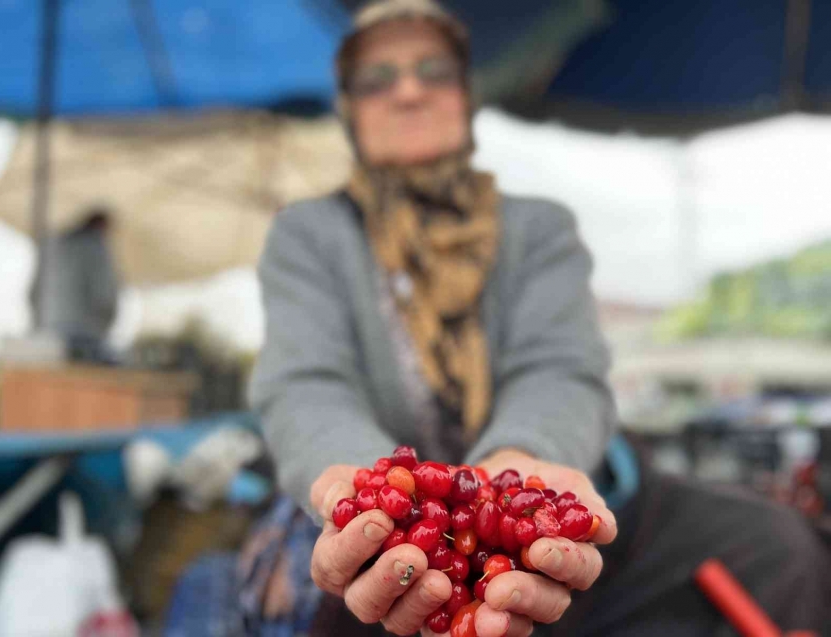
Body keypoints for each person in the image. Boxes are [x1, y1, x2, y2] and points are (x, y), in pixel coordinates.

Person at [248, 1, 831, 635]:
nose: (409, 91)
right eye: (378, 77)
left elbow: (560, 367)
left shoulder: (536, 226)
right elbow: (306, 382)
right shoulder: (311, 234)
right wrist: (370, 491)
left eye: (433, 70)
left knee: (779, 547)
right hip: (406, 539)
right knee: (358, 604)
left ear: (465, 96)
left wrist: (524, 457)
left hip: (590, 489)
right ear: (351, 109)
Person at [31, 206, 119, 363]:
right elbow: (105, 295)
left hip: (46, 333)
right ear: (102, 225)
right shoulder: (96, 247)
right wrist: (105, 325)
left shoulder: (51, 245)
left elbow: (33, 293)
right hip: (85, 336)